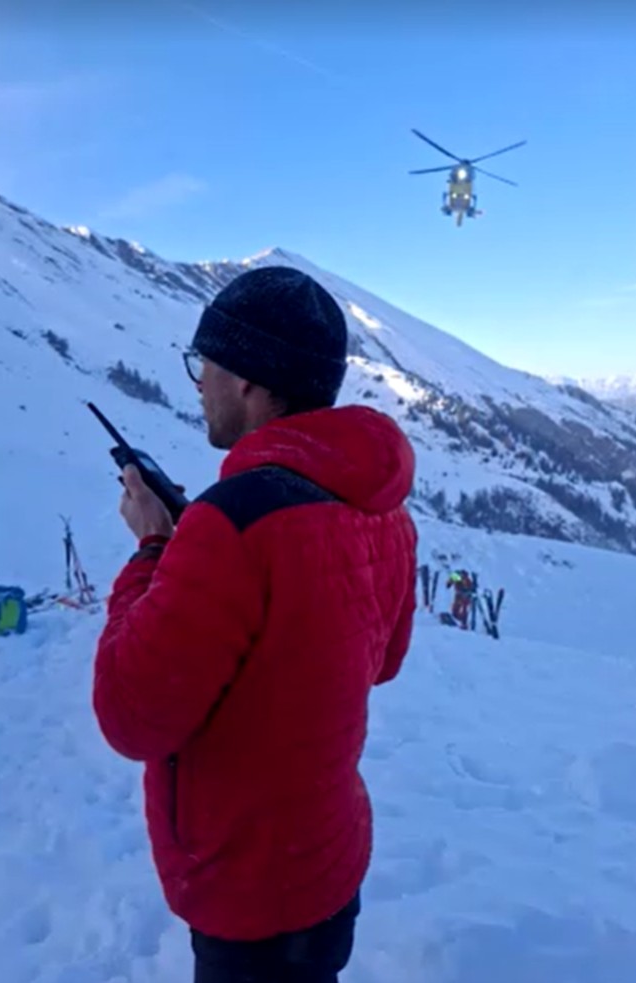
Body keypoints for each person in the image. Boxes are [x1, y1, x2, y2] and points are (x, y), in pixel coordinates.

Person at [92, 266, 418, 983]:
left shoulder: (230, 522)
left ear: (249, 378)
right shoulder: (382, 505)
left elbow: (130, 715)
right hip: (329, 865)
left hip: (248, 893)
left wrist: (154, 548)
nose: (197, 382)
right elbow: (383, 657)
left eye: (202, 363)